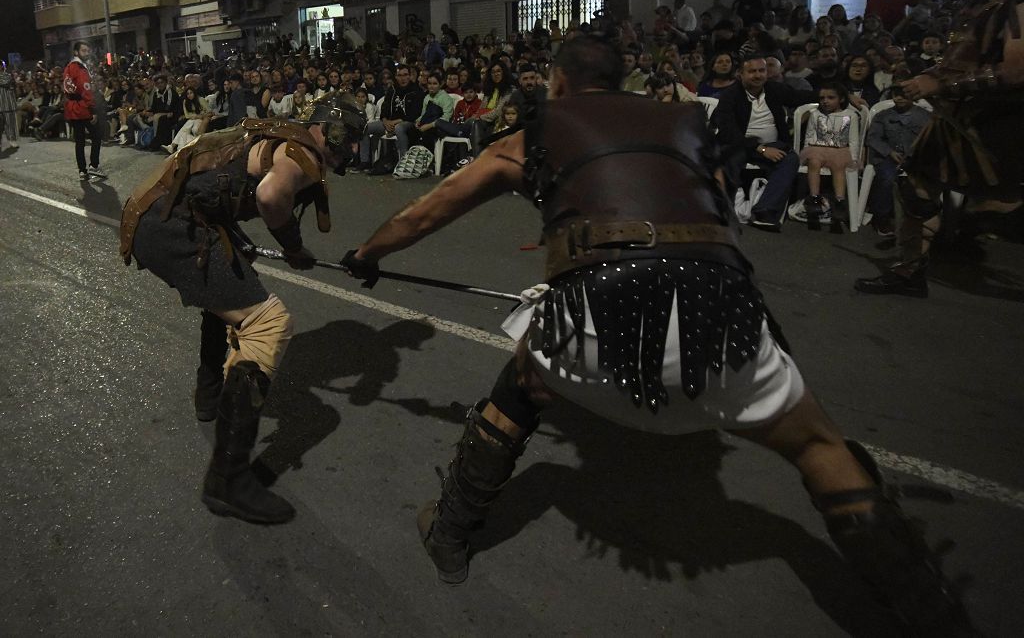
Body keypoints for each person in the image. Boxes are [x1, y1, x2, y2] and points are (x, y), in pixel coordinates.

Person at [337, 37, 973, 635]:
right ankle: (924, 607)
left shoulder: (533, 133)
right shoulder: (690, 125)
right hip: (717, 312)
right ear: (620, 81)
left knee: (523, 384)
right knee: (819, 445)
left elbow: (428, 209)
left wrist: (367, 253)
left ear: (558, 82)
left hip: (596, 312)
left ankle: (450, 531)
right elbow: (723, 220)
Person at [118, 93, 366, 524]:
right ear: (330, 129)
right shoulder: (302, 153)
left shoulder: (284, 132)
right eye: (352, 138)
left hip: (167, 209)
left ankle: (210, 390)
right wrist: (292, 246)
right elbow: (272, 196)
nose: (356, 149)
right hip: (170, 222)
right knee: (268, 323)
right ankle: (228, 478)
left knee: (233, 284)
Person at [856, 0, 1024, 297]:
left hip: (1000, 124)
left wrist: (941, 86)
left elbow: (1015, 72)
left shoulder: (1019, 2)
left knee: (1002, 207)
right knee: (916, 187)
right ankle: (910, 272)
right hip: (956, 118)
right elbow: (958, 63)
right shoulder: (980, 4)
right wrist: (928, 76)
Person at [712, 55, 815, 231]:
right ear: (740, 74)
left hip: (772, 145)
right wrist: (761, 148)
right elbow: (728, 131)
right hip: (740, 145)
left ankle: (765, 210)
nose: (758, 75)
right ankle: (723, 211)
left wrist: (846, 95)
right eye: (752, 71)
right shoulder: (730, 95)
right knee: (728, 160)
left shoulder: (774, 89)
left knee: (790, 159)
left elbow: (802, 97)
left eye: (762, 70)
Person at [863, 85, 931, 237]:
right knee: (886, 178)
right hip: (888, 156)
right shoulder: (882, 116)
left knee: (927, 178)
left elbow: (930, 139)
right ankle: (882, 217)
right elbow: (873, 138)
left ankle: (925, 217)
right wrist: (889, 152)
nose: (899, 98)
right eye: (896, 94)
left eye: (904, 95)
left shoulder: (925, 116)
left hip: (915, 157)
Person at [795, 82, 861, 229]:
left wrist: (854, 158)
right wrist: (806, 151)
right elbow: (810, 135)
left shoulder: (851, 116)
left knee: (838, 166)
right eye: (822, 98)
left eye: (831, 97)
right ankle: (814, 198)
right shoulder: (815, 115)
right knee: (814, 162)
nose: (825, 101)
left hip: (840, 150)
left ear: (842, 99)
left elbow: (854, 140)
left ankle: (839, 201)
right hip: (817, 148)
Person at [63, 41, 105, 182]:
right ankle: (94, 165)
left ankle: (82, 170)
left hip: (72, 107)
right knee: (97, 135)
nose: (87, 53)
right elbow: (86, 90)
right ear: (76, 52)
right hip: (82, 108)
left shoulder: (68, 67)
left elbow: (67, 88)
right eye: (84, 51)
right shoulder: (80, 68)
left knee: (79, 141)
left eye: (88, 50)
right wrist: (92, 109)